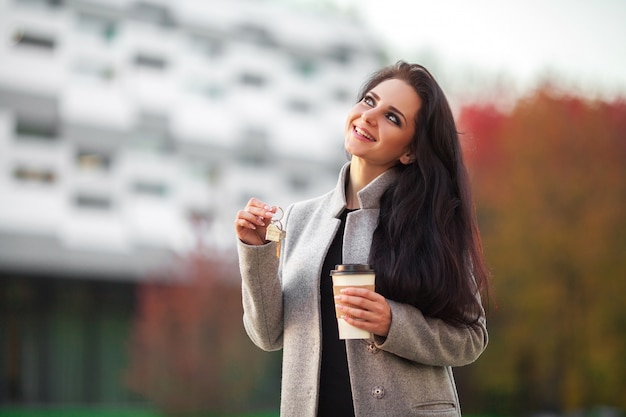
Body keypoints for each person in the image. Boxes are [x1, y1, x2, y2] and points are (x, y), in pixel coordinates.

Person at [234, 61, 489, 417]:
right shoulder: (299, 219)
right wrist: (256, 251)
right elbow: (268, 335)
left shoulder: (432, 225)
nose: (369, 117)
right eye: (369, 101)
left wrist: (392, 322)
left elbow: (471, 338)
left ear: (410, 151)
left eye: (393, 118)